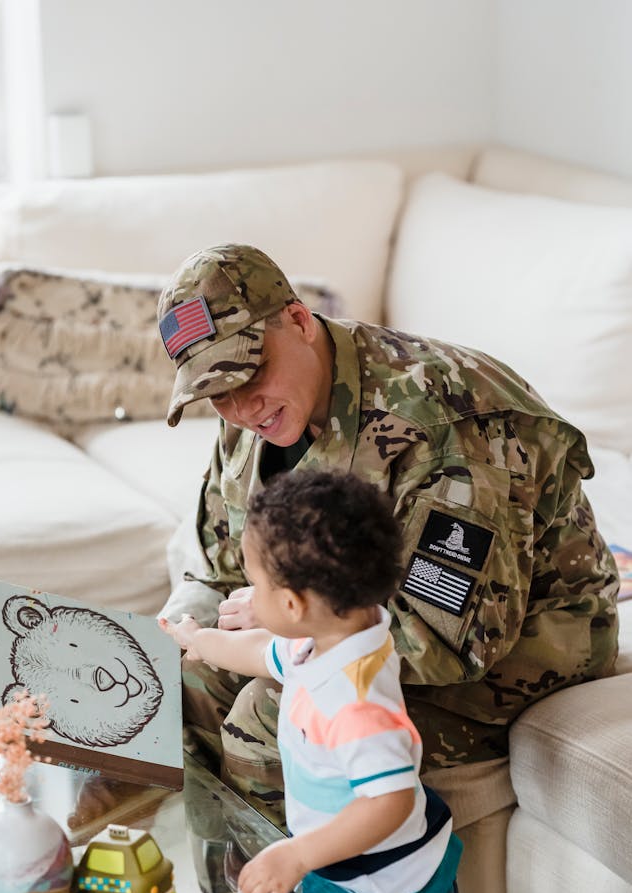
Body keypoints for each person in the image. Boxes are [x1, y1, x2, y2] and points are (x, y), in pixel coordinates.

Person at [157, 242, 619, 823]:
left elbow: (444, 644)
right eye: (215, 392)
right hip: (351, 624)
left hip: (515, 648)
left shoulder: (446, 425)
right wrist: (180, 633)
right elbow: (218, 560)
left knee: (276, 714)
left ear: (299, 321)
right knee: (178, 689)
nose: (242, 406)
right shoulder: (254, 417)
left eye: (248, 373)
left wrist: (289, 625)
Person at [161, 469, 461, 893]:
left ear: (294, 604)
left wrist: (297, 854)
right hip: (344, 871)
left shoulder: (354, 699)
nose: (249, 598)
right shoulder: (336, 636)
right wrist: (200, 640)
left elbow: (391, 800)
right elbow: (263, 650)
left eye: (255, 586)